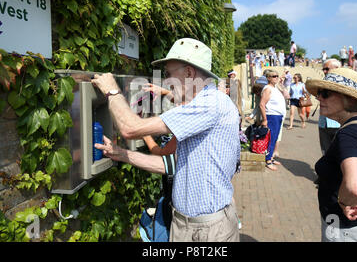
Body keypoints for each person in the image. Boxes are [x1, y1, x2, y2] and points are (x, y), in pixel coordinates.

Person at [91, 38, 241, 242]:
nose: (166, 81)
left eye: (169, 75)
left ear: (189, 73)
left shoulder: (210, 105)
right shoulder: (205, 104)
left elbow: (129, 128)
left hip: (206, 231)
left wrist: (112, 91)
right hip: (191, 227)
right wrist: (121, 154)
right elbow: (171, 165)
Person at [306, 68, 357, 242]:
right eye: (319, 93)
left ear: (349, 98)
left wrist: (344, 203)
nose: (319, 98)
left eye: (325, 94)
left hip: (346, 228)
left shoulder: (349, 135)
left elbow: (356, 187)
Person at [259, 69, 286, 171]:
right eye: (274, 76)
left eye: (277, 76)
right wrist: (265, 119)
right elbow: (262, 104)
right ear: (268, 78)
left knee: (275, 138)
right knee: (271, 138)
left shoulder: (275, 88)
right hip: (272, 116)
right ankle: (268, 160)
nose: (276, 78)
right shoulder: (268, 89)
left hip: (278, 116)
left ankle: (271, 157)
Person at [318, 59, 341, 155]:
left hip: (338, 124)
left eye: (327, 69)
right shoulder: (322, 83)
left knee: (339, 153)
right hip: (324, 123)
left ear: (337, 69)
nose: (324, 71)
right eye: (323, 69)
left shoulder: (346, 85)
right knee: (326, 153)